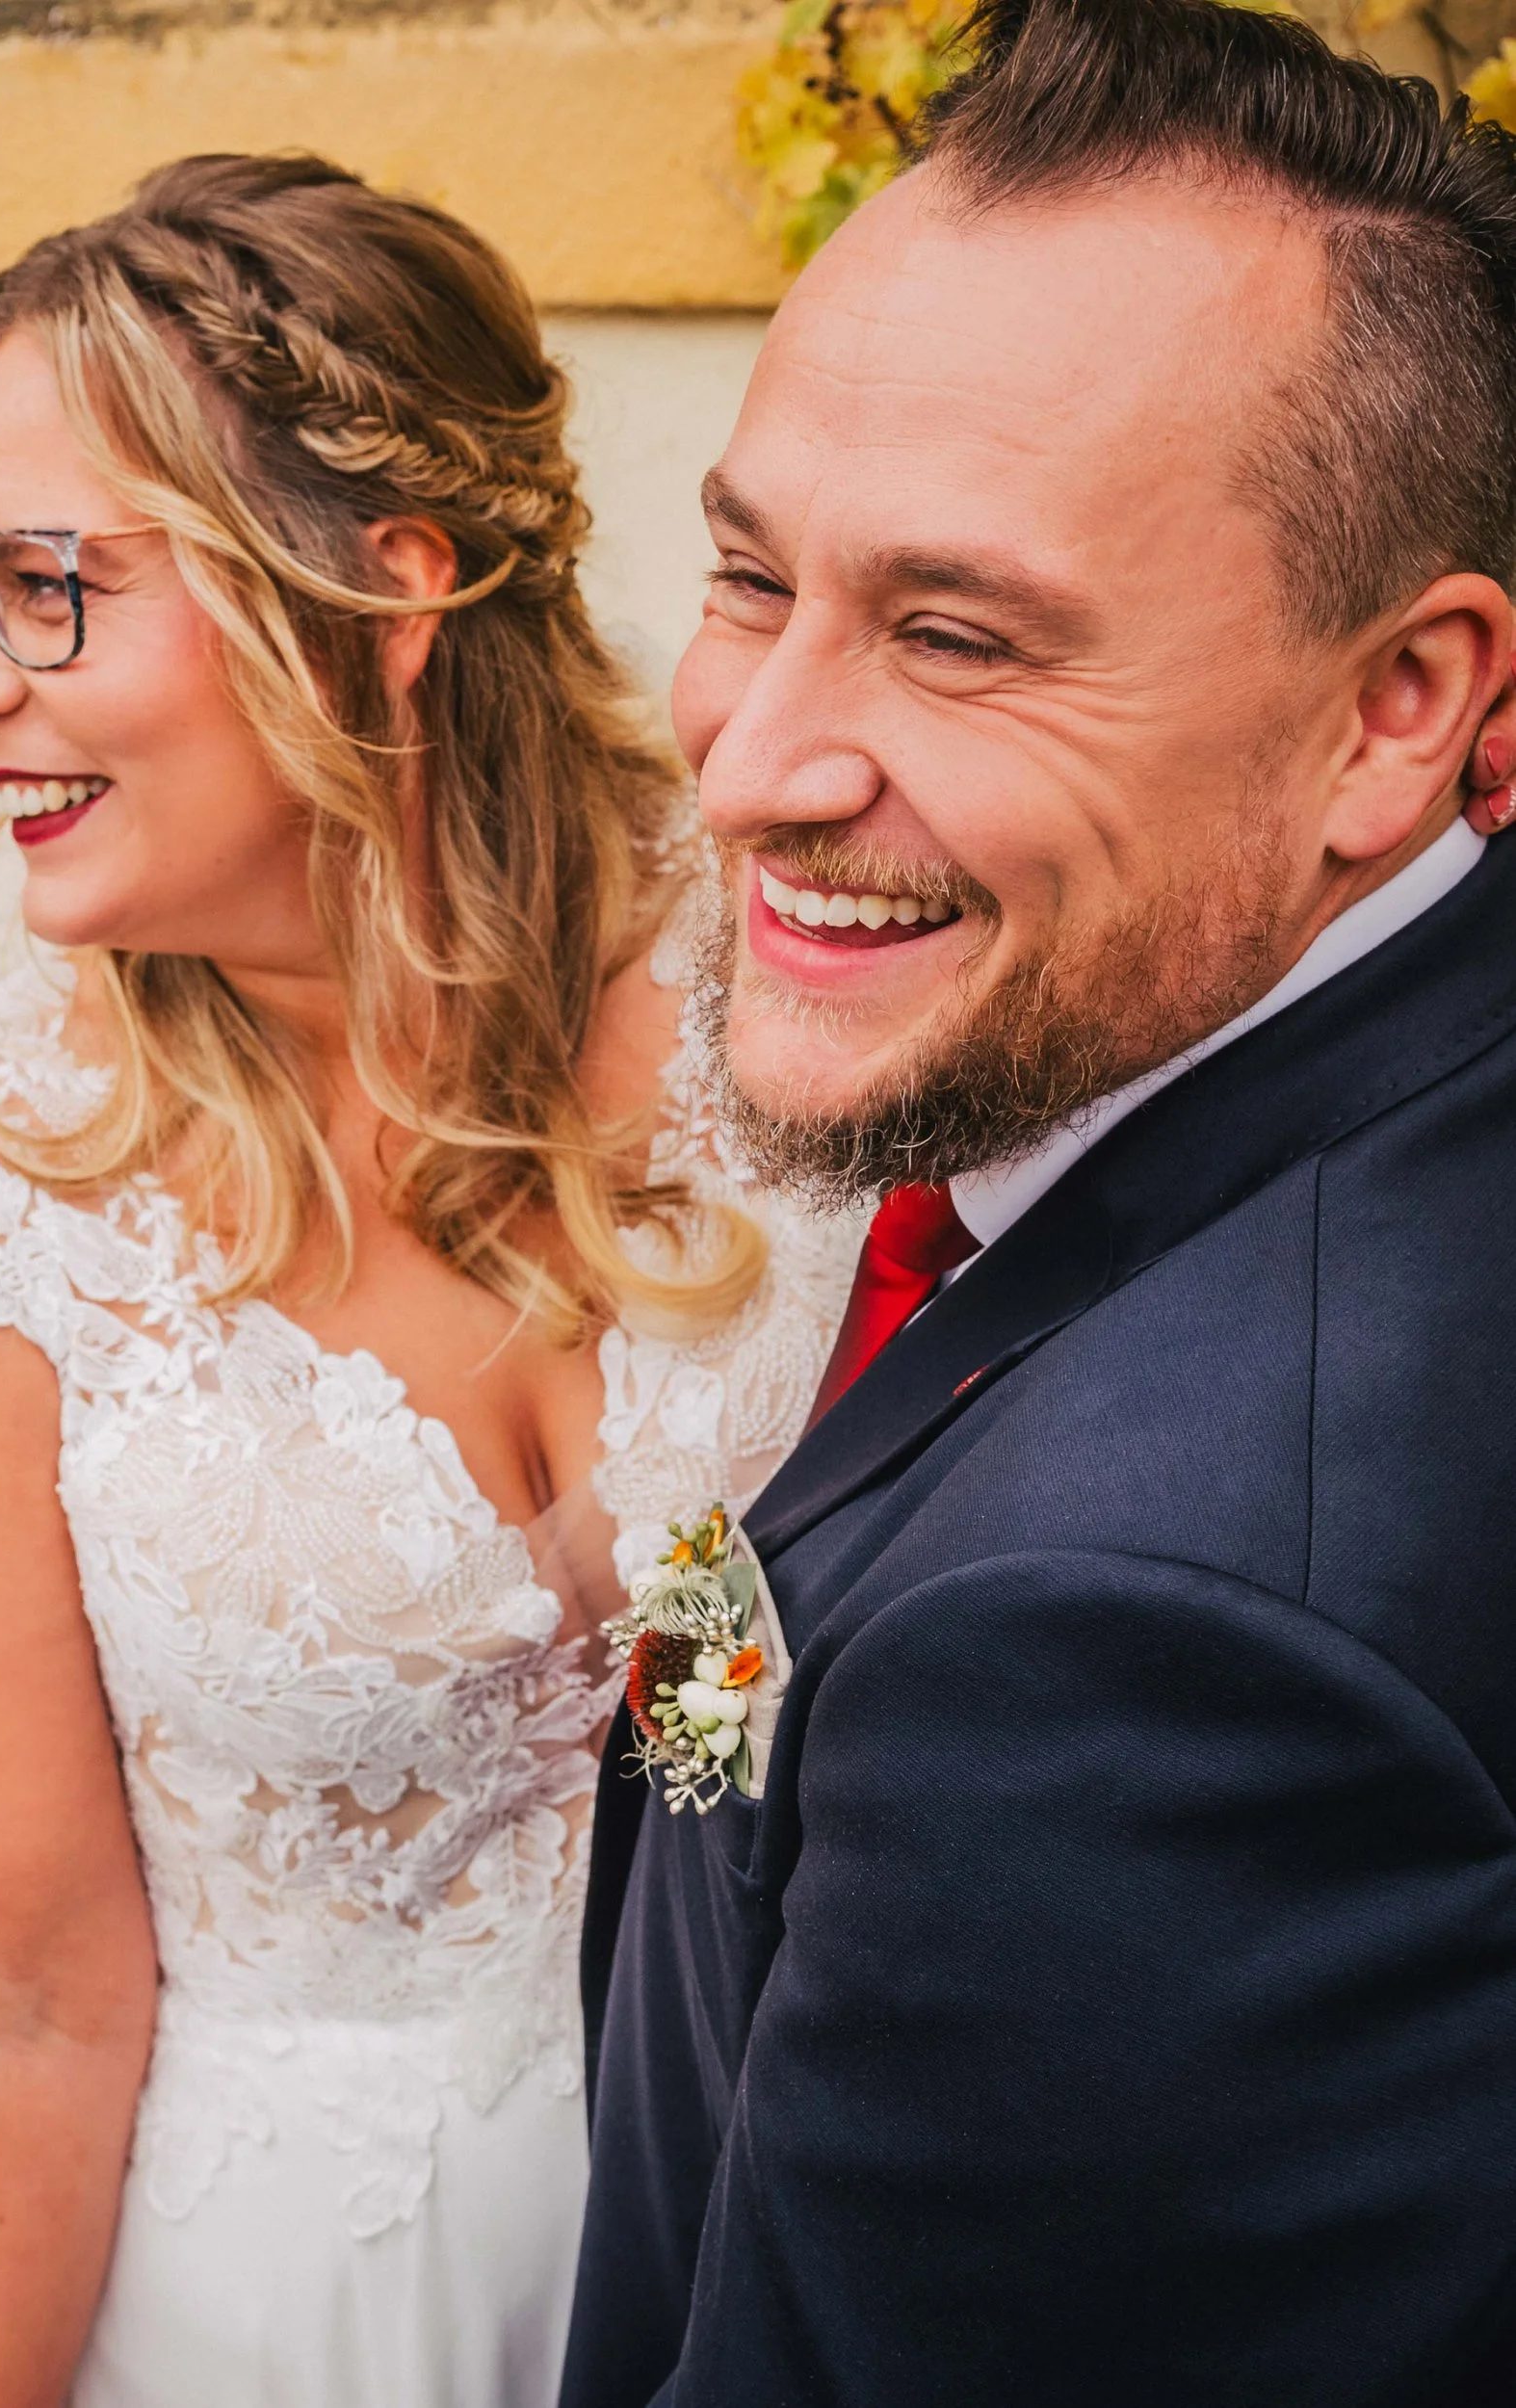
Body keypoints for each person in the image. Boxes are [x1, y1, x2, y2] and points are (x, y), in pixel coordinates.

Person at [0, 155, 854, 2408]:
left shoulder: (808, 973)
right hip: (315, 2303)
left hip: (815, 2212)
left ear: (386, 586)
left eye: (44, 587)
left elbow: (759, 1694)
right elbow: (5, 1998)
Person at [562, 3, 1516, 2403]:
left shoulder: (1124, 1647)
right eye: (746, 576)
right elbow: (775, 1595)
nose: (757, 760)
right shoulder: (1032, 1073)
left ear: (1396, 702)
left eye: (958, 635)